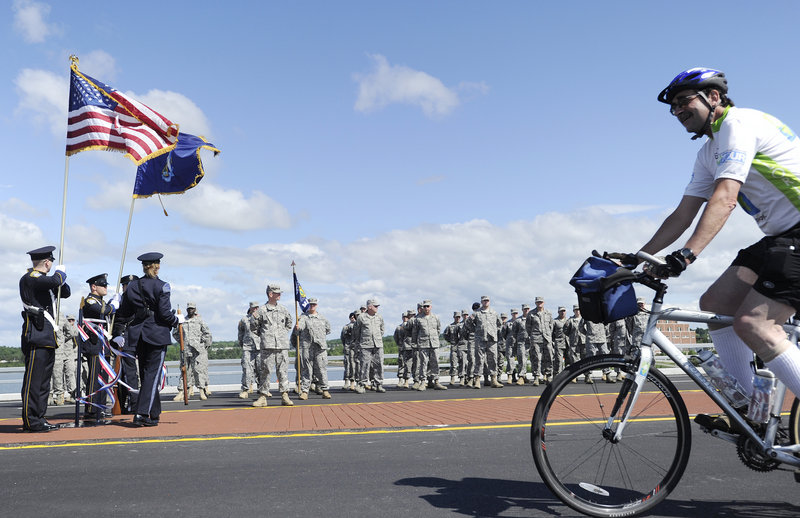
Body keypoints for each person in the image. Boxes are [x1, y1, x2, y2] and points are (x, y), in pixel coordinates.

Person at [638, 67, 800, 431]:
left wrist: (687, 255)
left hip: (798, 233)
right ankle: (751, 417)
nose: (678, 111)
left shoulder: (737, 125)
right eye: (673, 108)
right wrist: (642, 256)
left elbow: (725, 198)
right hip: (780, 237)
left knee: (754, 324)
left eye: (684, 102)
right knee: (715, 304)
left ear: (714, 97)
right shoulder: (709, 151)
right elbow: (683, 214)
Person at [117, 252, 180, 427]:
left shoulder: (132, 287)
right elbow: (165, 314)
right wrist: (177, 321)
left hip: (139, 335)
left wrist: (117, 332)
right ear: (156, 266)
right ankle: (141, 413)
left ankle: (154, 414)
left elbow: (123, 312)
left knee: (146, 375)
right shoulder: (163, 286)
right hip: (157, 334)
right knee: (152, 375)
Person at [19, 246, 70, 432]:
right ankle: (31, 420)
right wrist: (60, 274)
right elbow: (55, 280)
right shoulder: (31, 278)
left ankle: (39, 418)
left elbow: (65, 292)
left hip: (48, 336)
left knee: (43, 384)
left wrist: (60, 279)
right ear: (47, 262)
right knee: (34, 382)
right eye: (51, 262)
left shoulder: (45, 282)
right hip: (36, 335)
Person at [80, 273, 120, 422]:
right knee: (95, 377)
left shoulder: (101, 301)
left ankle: (100, 406)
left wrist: (112, 304)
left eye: (106, 285)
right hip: (93, 343)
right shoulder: (90, 300)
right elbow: (103, 311)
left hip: (103, 344)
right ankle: (91, 408)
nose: (106, 287)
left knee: (103, 377)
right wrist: (114, 305)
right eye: (103, 285)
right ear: (94, 287)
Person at [251, 284, 294, 407]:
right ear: (270, 294)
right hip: (268, 346)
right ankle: (263, 397)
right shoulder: (261, 310)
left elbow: (289, 323)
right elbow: (254, 327)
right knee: (265, 371)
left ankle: (285, 395)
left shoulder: (283, 310)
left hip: (282, 345)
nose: (280, 294)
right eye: (277, 293)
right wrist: (265, 335)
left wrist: (281, 334)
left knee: (283, 371)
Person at [293, 298, 332, 399]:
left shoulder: (322, 318)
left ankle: (325, 390)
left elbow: (328, 329)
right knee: (306, 369)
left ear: (317, 305)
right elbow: (299, 328)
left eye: (314, 304)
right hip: (307, 347)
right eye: (310, 304)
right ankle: (305, 391)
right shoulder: (303, 317)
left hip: (320, 348)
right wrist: (297, 327)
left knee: (321, 369)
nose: (312, 306)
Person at [172, 302, 212, 401]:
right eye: (189, 309)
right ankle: (181, 392)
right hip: (185, 349)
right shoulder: (182, 320)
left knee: (198, 371)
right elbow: (175, 333)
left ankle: (201, 391)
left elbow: (207, 334)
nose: (190, 310)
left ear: (195, 310)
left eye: (192, 309)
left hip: (197, 350)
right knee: (184, 370)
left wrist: (202, 344)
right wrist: (182, 341)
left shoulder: (200, 321)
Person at [112, 274, 139, 414]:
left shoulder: (138, 300)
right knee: (120, 374)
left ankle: (134, 403)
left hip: (134, 339)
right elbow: (115, 322)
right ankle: (121, 404)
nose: (126, 288)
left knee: (131, 374)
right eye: (125, 286)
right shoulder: (119, 301)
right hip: (122, 339)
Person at [466, 296, 503, 388]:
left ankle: (494, 380)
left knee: (493, 359)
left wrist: (493, 331)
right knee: (479, 360)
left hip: (492, 340)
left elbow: (499, 323)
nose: (486, 302)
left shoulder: (494, 313)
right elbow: (468, 323)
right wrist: (476, 330)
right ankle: (477, 379)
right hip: (480, 339)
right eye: (484, 301)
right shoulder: (477, 313)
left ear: (489, 302)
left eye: (487, 300)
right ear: (481, 302)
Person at [412, 300, 447, 390]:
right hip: (423, 344)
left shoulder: (435, 317)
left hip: (434, 343)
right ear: (422, 308)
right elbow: (415, 332)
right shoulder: (418, 319)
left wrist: (434, 338)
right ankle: (423, 382)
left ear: (431, 307)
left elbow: (438, 329)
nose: (426, 308)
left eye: (428, 306)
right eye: (425, 306)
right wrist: (415, 343)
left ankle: (436, 381)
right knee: (423, 363)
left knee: (435, 362)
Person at [353, 299, 385, 393]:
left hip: (378, 345)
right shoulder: (361, 317)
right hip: (365, 345)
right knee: (364, 366)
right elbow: (356, 331)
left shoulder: (379, 317)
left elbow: (382, 329)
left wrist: (377, 337)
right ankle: (362, 385)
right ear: (369, 307)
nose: (377, 308)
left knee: (379, 365)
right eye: (375, 306)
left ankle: (378, 384)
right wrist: (361, 342)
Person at [51, 313, 78, 406]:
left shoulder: (60, 317)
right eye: (69, 320)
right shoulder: (59, 316)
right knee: (55, 373)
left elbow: (72, 333)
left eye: (72, 320)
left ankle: (69, 395)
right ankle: (52, 396)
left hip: (66, 353)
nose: (71, 321)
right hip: (57, 351)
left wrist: (61, 339)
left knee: (68, 374)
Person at [527, 296, 554, 383]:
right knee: (536, 357)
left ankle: (549, 375)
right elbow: (528, 327)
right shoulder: (531, 314)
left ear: (544, 302)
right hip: (536, 338)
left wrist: (548, 334)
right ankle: (536, 377)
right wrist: (533, 335)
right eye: (538, 302)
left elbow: (551, 325)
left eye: (541, 302)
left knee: (549, 356)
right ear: (535, 303)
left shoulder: (548, 313)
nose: (539, 304)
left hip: (547, 338)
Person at [237, 302, 260, 399]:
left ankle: (262, 389)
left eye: (256, 308)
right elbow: (240, 333)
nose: (255, 309)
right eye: (253, 308)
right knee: (247, 369)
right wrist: (242, 344)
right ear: (250, 308)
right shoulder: (244, 320)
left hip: (260, 347)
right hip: (247, 347)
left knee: (261, 369)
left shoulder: (262, 319)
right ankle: (245, 389)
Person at [512, 304, 531, 384]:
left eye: (527, 309)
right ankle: (521, 377)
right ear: (522, 310)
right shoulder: (518, 320)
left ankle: (535, 376)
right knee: (522, 359)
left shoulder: (533, 319)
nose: (526, 310)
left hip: (532, 342)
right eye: (524, 309)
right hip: (522, 342)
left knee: (535, 359)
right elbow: (514, 332)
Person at [443, 311, 462, 386]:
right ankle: (452, 378)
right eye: (456, 317)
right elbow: (445, 335)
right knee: (453, 364)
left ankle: (461, 378)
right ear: (454, 317)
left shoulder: (463, 325)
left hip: (461, 346)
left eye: (459, 317)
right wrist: (450, 341)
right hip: (454, 346)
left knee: (462, 363)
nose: (458, 318)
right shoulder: (450, 326)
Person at [394, 312, 412, 388]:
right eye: (404, 317)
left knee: (409, 365)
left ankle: (407, 381)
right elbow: (395, 337)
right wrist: (400, 344)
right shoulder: (398, 327)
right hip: (402, 348)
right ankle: (400, 380)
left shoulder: (411, 327)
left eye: (406, 317)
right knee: (401, 364)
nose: (405, 318)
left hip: (410, 347)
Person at [340, 312, 358, 391]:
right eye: (351, 317)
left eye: (354, 317)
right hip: (348, 348)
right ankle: (346, 381)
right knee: (347, 365)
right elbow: (342, 338)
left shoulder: (357, 327)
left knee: (354, 365)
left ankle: (353, 382)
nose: (352, 318)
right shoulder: (346, 327)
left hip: (355, 349)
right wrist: (346, 345)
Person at [552, 306, 568, 377]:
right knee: (559, 360)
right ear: (558, 312)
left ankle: (568, 375)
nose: (563, 312)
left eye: (564, 311)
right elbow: (551, 333)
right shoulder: (555, 321)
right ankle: (559, 375)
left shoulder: (568, 320)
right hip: (559, 342)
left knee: (568, 359)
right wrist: (553, 341)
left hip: (568, 342)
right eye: (561, 311)